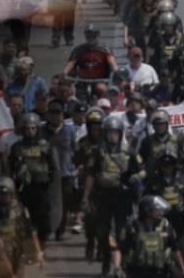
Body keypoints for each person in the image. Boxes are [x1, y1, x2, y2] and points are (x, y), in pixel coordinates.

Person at [85, 116, 134, 276]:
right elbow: (91, 175)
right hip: (103, 197)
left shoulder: (129, 152)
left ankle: (121, 265)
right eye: (110, 133)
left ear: (120, 134)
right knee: (103, 232)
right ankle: (106, 261)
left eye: (115, 133)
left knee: (123, 232)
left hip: (122, 198)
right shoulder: (98, 152)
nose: (112, 136)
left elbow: (141, 171)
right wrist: (86, 197)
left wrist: (134, 183)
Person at [8, 112, 58, 247]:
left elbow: (53, 166)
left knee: (42, 217)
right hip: (24, 188)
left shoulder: (45, 146)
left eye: (33, 128)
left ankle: (42, 242)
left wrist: (49, 182)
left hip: (42, 187)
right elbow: (10, 168)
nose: (30, 131)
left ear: (37, 129)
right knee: (25, 218)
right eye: (27, 128)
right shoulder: (16, 148)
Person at [143, 147, 184, 267]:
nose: (167, 167)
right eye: (164, 164)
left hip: (180, 222)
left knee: (183, 256)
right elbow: (145, 200)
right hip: (161, 223)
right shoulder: (153, 181)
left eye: (170, 164)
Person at [111, 195, 184, 278]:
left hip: (160, 271)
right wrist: (117, 268)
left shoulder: (165, 225)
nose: (161, 212)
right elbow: (119, 249)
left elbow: (175, 249)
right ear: (147, 211)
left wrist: (183, 269)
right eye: (157, 209)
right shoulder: (132, 227)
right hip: (136, 271)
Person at [0, 178, 43, 276]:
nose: (3, 197)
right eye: (0, 194)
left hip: (16, 252)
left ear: (11, 195)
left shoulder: (19, 210)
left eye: (6, 194)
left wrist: (38, 252)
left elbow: (31, 231)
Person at [42, 100, 77, 241]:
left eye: (58, 113)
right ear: (48, 115)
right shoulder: (41, 131)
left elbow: (75, 149)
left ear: (63, 115)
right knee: (47, 202)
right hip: (47, 174)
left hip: (66, 173)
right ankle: (47, 228)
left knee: (65, 203)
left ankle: (60, 231)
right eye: (53, 113)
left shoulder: (70, 130)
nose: (56, 116)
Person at [74, 107, 106, 258]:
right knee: (90, 220)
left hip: (104, 185)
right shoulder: (82, 142)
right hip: (87, 186)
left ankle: (101, 247)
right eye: (93, 125)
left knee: (103, 220)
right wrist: (80, 166)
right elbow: (76, 161)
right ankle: (90, 241)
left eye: (98, 125)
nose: (95, 128)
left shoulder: (107, 142)